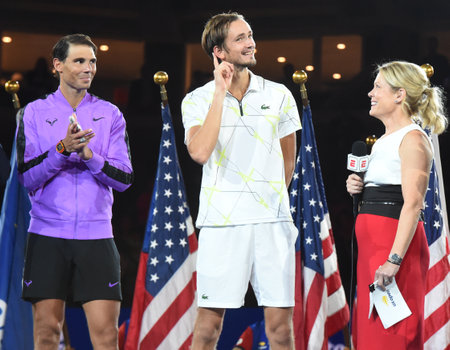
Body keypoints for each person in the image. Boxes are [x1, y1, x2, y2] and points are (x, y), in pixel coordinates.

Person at [181, 12, 301, 350]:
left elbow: (287, 161)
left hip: (272, 223)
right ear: (219, 51)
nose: (250, 43)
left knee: (280, 330)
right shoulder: (197, 100)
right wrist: (220, 92)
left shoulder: (279, 94)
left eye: (250, 35)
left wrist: (270, 198)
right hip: (222, 223)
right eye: (240, 38)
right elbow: (200, 152)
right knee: (207, 328)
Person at [16, 34, 133, 349]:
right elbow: (26, 178)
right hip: (47, 236)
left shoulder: (110, 114)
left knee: (107, 336)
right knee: (46, 333)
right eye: (79, 61)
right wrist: (61, 150)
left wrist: (90, 158)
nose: (88, 68)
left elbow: (124, 179)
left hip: (97, 237)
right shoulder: (32, 113)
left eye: (92, 61)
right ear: (58, 65)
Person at [346, 61, 447, 349]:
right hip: (372, 248)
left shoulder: (413, 139)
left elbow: (413, 204)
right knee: (371, 336)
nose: (370, 93)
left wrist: (394, 260)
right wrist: (360, 188)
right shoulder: (381, 142)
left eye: (377, 86)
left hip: (393, 249)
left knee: (393, 337)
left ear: (400, 94)